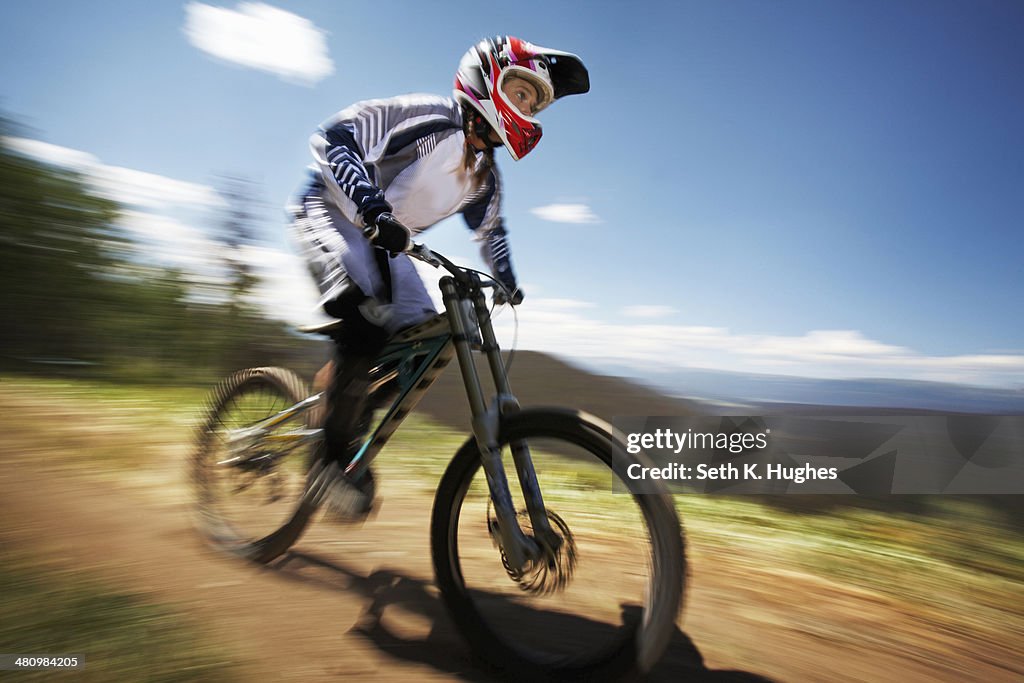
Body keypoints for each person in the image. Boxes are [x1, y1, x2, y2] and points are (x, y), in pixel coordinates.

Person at [289, 35, 589, 520]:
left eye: (533, 104)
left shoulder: (484, 176)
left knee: (420, 347)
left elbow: (491, 233)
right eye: (521, 93)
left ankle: (344, 412)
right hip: (331, 208)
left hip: (389, 242)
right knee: (363, 320)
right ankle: (327, 460)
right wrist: (370, 204)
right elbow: (333, 137)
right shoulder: (430, 116)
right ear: (487, 78)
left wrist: (508, 282)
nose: (527, 109)